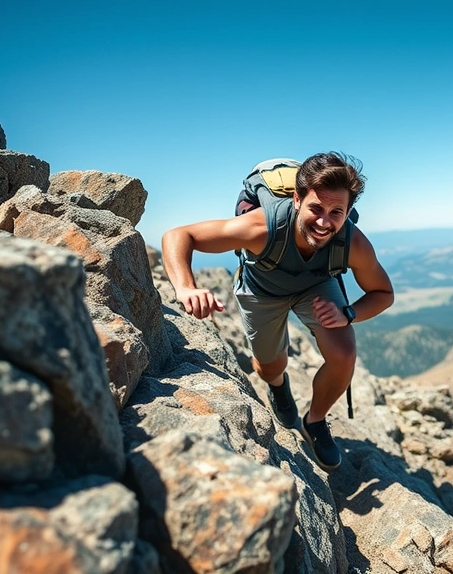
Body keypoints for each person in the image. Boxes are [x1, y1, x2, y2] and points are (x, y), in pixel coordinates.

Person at [161, 152, 394, 470]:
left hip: (315, 286)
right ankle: (277, 385)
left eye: (336, 212)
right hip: (262, 289)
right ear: (297, 200)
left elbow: (383, 293)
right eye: (316, 208)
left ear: (349, 211)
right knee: (271, 366)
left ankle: (315, 421)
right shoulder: (262, 229)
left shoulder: (353, 243)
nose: (325, 222)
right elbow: (179, 236)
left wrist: (348, 314)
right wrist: (186, 287)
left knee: (344, 353)